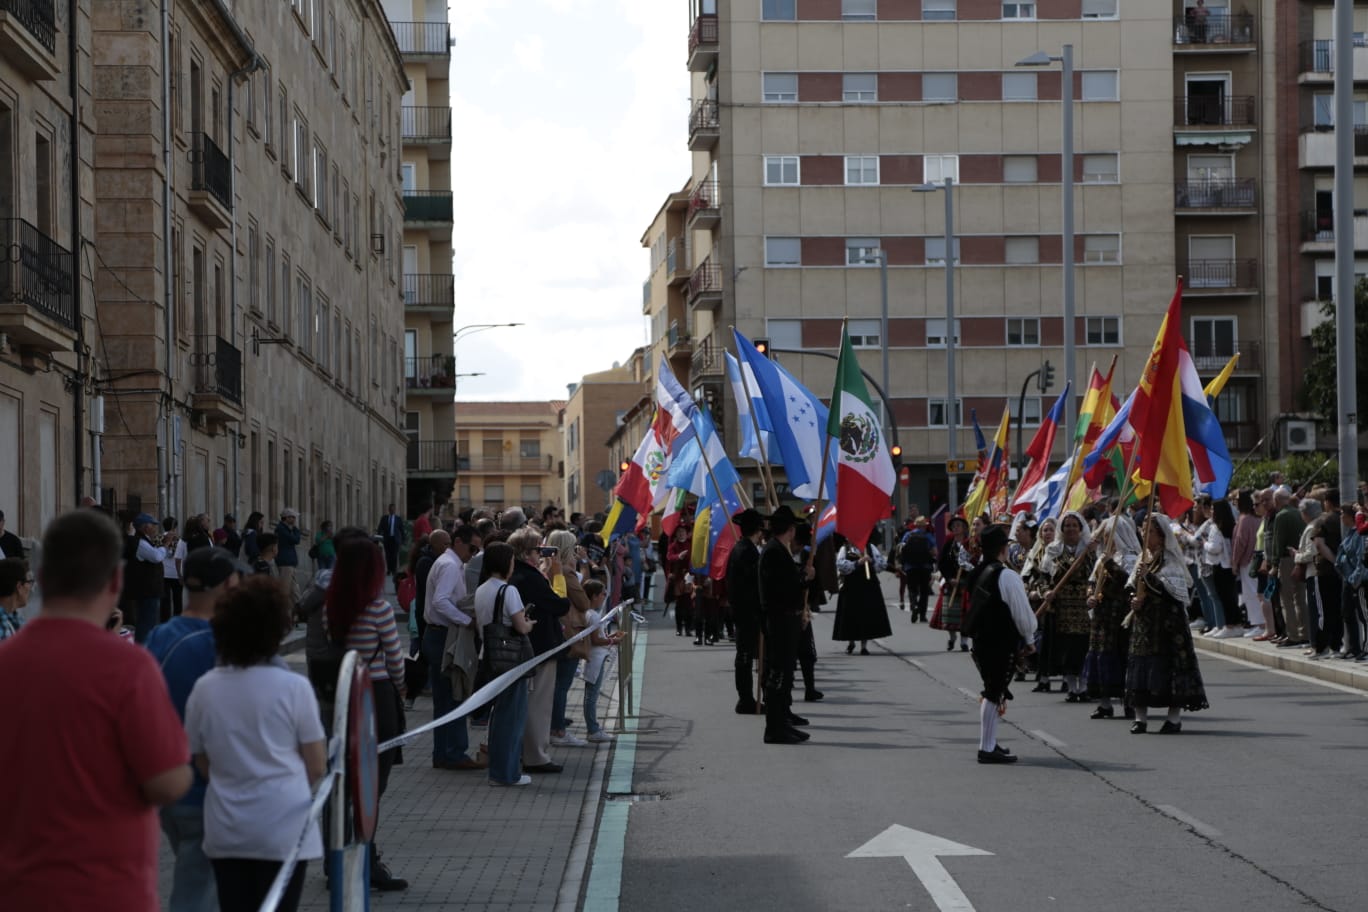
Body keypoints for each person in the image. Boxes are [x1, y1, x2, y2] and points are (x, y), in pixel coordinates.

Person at [0, 509, 191, 910]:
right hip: (108, 891)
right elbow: (168, 783)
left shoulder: (7, 659)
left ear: (42, 580)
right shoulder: (130, 668)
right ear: (116, 581)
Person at [185, 577, 325, 912]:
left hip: (228, 824)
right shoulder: (294, 688)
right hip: (284, 824)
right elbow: (317, 763)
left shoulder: (205, 688)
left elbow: (200, 758)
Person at [147, 546, 248, 912]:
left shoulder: (160, 635)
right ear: (228, 585)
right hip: (205, 789)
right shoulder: (218, 644)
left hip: (167, 784)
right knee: (198, 893)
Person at [325, 535, 408, 891]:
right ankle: (368, 859)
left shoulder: (335, 606)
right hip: (377, 696)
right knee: (374, 783)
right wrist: (402, 686)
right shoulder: (378, 608)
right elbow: (394, 658)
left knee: (348, 781)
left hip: (347, 696)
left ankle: (337, 859)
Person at [1125, 515, 1209, 734]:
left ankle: (1173, 718)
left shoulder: (1170, 559)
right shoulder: (1143, 558)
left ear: (1161, 536)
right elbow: (1132, 586)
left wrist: (1150, 578)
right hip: (1144, 624)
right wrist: (1134, 598)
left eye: (1150, 531)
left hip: (1167, 625)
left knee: (1171, 669)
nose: (1145, 535)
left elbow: (1173, 591)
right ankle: (1140, 718)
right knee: (1140, 668)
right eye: (1143, 530)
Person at [963, 524, 1037, 764]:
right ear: (1003, 549)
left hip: (981, 641)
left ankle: (991, 742)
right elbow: (1022, 614)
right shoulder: (1006, 575)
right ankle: (986, 747)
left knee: (994, 690)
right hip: (1000, 642)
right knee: (994, 692)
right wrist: (1029, 638)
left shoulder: (976, 572)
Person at [509, 527, 571, 774]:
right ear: (526, 552)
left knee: (528, 703)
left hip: (527, 648)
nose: (541, 553)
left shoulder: (518, 575)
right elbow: (560, 605)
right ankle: (536, 756)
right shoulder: (530, 578)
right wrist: (557, 576)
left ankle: (528, 752)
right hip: (540, 649)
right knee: (539, 705)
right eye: (538, 549)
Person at [475, 542, 535, 786]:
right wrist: (530, 623)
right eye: (511, 560)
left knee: (499, 717)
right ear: (505, 563)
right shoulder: (508, 591)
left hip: (489, 656)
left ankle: (499, 770)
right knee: (511, 718)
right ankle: (506, 773)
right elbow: (520, 626)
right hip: (510, 660)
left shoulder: (481, 589)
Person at [424, 527, 484, 770]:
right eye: (472, 548)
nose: (474, 553)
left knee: (445, 699)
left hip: (437, 635)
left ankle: (444, 752)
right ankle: (454, 752)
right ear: (459, 542)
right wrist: (465, 620)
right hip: (443, 636)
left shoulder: (450, 563)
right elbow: (440, 601)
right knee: (454, 695)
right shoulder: (449, 565)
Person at [758, 506, 810, 745]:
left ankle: (782, 722)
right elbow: (780, 588)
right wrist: (802, 578)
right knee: (778, 674)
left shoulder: (779, 550)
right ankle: (775, 727)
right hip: (779, 619)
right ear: (790, 530)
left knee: (786, 673)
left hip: (785, 618)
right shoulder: (773, 552)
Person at [1083, 516, 1140, 719]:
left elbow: (1128, 583)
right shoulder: (1101, 559)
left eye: (1110, 535)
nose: (1107, 539)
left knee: (1123, 659)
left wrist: (1110, 565)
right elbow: (1091, 582)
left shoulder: (1131, 558)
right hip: (1101, 618)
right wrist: (1090, 595)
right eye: (1105, 535)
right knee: (1101, 659)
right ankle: (1105, 704)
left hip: (1120, 617)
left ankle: (1129, 703)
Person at [1037, 511, 1094, 702]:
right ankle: (1071, 687)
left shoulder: (1090, 549)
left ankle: (1084, 686)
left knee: (1083, 646)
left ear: (1080, 529)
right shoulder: (1053, 550)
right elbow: (1043, 577)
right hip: (1062, 608)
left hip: (1084, 607)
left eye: (1074, 526)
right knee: (1066, 648)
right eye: (1067, 526)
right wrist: (1046, 592)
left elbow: (1098, 575)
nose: (1070, 529)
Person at [547, 528, 589, 747]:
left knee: (554, 685)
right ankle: (558, 730)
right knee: (562, 685)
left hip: (554, 631)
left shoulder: (547, 569)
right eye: (573, 548)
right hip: (569, 632)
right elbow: (583, 602)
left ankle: (553, 727)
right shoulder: (566, 571)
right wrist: (578, 572)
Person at [726, 508, 765, 714]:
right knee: (746, 656)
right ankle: (747, 699)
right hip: (747, 612)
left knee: (745, 655)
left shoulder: (742, 548)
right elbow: (753, 584)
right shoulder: (746, 551)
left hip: (743, 611)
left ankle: (747, 698)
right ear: (757, 531)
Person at [832, 536, 893, 655]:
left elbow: (882, 564)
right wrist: (857, 563)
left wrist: (872, 561)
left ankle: (864, 646)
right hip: (851, 586)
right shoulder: (845, 549)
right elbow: (840, 565)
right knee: (850, 614)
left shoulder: (870, 548)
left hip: (868, 585)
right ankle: (851, 642)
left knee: (866, 615)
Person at [581, 578, 622, 743]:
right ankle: (593, 729)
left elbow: (598, 637)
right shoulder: (592, 615)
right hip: (595, 659)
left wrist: (609, 637)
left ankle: (593, 728)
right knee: (591, 695)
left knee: (591, 694)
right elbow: (596, 640)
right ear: (594, 596)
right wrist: (612, 641)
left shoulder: (590, 614)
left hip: (595, 658)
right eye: (603, 594)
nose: (604, 596)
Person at [1266, 486, 1308, 647]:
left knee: (1287, 600)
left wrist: (1274, 564)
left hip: (1286, 559)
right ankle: (1305, 633)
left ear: (1276, 501)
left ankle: (1293, 635)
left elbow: (1278, 541)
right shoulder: (1298, 512)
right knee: (1300, 598)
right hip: (1299, 557)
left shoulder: (1281, 516)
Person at [126, 512, 170, 643]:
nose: (155, 528)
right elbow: (156, 557)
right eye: (153, 525)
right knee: (147, 622)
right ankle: (143, 648)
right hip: (147, 589)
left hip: (148, 588)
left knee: (147, 621)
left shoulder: (143, 540)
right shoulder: (140, 542)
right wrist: (166, 545)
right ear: (145, 527)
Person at [936, 516, 974, 651]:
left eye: (958, 525)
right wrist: (949, 578)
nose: (956, 528)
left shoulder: (970, 543)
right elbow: (941, 562)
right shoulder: (949, 542)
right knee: (950, 613)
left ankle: (964, 641)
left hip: (966, 582)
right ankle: (952, 638)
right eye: (954, 526)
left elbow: (974, 562)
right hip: (951, 582)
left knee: (966, 613)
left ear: (964, 528)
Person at [1231, 489, 1265, 638]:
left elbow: (1240, 543)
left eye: (1237, 499)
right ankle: (1260, 623)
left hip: (1248, 562)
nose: (1235, 502)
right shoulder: (1258, 518)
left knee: (1252, 594)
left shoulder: (1244, 519)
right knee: (1257, 593)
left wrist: (1234, 562)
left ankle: (1259, 624)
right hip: (1257, 559)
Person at [899, 518, 937, 622]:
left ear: (916, 525)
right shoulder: (928, 536)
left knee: (912, 589)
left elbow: (901, 549)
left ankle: (914, 605)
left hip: (910, 567)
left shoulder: (908, 535)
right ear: (924, 526)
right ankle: (922, 615)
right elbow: (935, 552)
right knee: (924, 591)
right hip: (925, 567)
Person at [274, 508, 304, 602]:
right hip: (285, 561)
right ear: (286, 518)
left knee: (294, 589)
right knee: (285, 589)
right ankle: (282, 611)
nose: (294, 519)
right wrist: (295, 530)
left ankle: (300, 609)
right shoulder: (281, 529)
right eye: (293, 517)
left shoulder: (286, 529)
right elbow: (295, 540)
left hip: (290, 561)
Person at [161, 516, 186, 622]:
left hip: (163, 573)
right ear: (175, 526)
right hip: (176, 573)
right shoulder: (178, 539)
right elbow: (174, 554)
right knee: (177, 600)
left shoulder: (158, 537)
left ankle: (164, 620)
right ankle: (177, 620)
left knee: (165, 600)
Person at [0, 557, 32, 640]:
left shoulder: (14, 619)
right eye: (29, 582)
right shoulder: (4, 624)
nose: (31, 587)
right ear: (19, 587)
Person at [377, 503, 403, 577]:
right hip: (387, 539)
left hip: (395, 539)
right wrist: (379, 536)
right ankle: (389, 569)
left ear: (395, 510)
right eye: (391, 509)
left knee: (394, 555)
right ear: (389, 510)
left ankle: (394, 570)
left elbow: (401, 530)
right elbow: (380, 527)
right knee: (388, 555)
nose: (392, 510)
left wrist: (403, 539)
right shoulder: (384, 518)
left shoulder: (398, 519)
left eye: (393, 509)